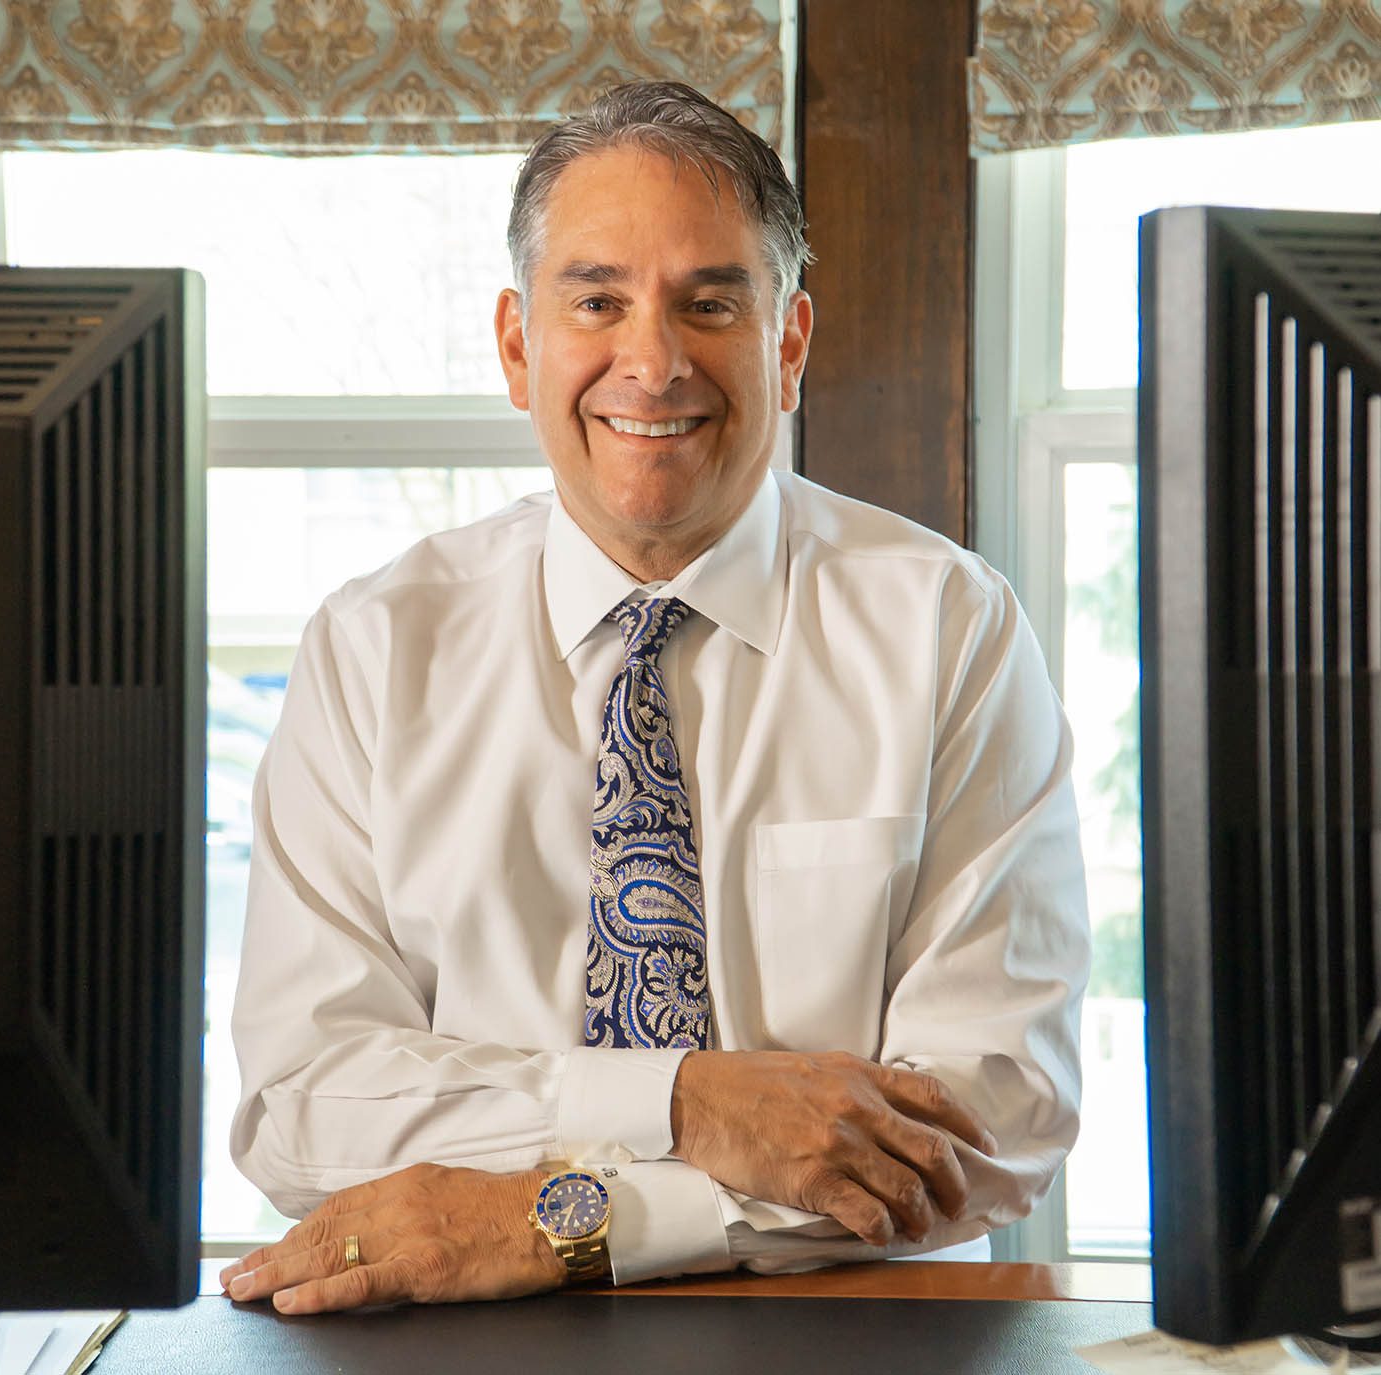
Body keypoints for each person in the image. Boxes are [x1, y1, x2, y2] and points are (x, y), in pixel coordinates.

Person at [220, 80, 1089, 1314]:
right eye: (597, 301)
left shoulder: (949, 630)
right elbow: (302, 1106)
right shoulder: (374, 648)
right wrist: (686, 1100)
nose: (653, 361)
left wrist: (559, 1223)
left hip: (836, 1341)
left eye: (709, 302)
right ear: (519, 346)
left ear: (787, 342)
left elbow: (983, 1122)